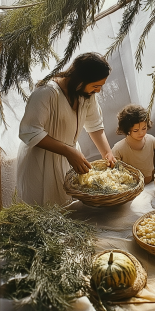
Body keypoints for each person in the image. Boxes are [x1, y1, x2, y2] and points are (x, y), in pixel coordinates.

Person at [17, 52, 117, 206]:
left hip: (69, 156)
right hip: (41, 161)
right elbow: (30, 131)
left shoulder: (86, 94)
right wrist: (68, 151)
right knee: (44, 209)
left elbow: (95, 125)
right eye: (96, 86)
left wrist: (107, 153)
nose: (98, 91)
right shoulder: (46, 93)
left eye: (100, 86)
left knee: (67, 207)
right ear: (81, 79)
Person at [112, 104, 155, 184]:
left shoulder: (151, 140)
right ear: (127, 129)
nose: (141, 133)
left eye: (144, 128)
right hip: (130, 189)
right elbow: (113, 171)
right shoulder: (119, 149)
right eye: (135, 130)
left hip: (151, 183)